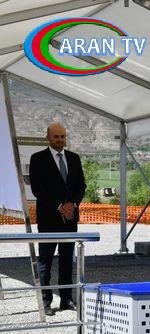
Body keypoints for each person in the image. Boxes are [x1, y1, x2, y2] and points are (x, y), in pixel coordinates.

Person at [29, 122, 86, 316]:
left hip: (70, 220)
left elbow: (81, 185)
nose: (60, 140)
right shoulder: (38, 159)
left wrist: (73, 204)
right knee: (45, 262)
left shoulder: (74, 158)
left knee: (67, 261)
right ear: (48, 138)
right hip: (48, 220)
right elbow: (38, 189)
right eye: (56, 137)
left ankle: (66, 299)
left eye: (63, 136)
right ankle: (46, 302)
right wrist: (60, 206)